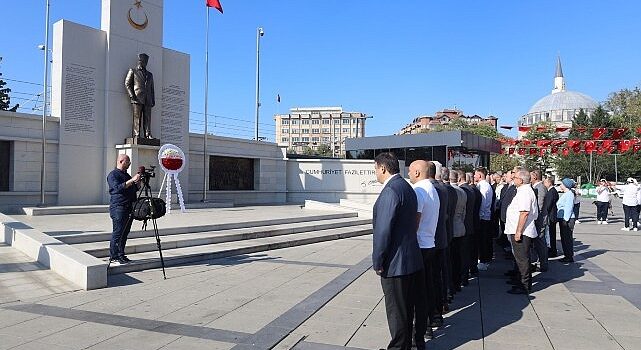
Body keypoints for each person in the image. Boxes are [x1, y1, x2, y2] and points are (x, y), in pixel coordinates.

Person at [372, 152, 424, 350]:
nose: (375, 173)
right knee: (405, 309)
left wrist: (378, 261)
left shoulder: (391, 191)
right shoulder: (406, 187)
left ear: (383, 168)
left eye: (375, 169)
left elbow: (383, 231)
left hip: (395, 263)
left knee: (396, 311)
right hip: (409, 259)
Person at [408, 160, 440, 335]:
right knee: (426, 288)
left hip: (420, 245)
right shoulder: (432, 189)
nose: (409, 174)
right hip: (429, 243)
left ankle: (418, 330)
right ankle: (426, 325)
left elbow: (416, 220)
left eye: (411, 171)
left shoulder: (419, 190)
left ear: (418, 173)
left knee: (416, 292)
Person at [505, 170, 538, 294]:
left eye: (516, 177)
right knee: (519, 258)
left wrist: (518, 232)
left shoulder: (525, 192)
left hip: (522, 231)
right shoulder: (522, 191)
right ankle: (520, 281)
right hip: (517, 229)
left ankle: (524, 285)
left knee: (522, 259)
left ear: (521, 180)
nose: (514, 178)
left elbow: (524, 213)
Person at [107, 154, 140, 265]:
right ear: (121, 161)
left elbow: (133, 189)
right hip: (118, 208)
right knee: (118, 232)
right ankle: (114, 256)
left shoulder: (126, 175)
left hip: (128, 208)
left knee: (125, 233)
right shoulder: (113, 175)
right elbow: (117, 188)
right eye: (128, 162)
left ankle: (121, 254)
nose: (129, 164)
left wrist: (138, 182)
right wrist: (132, 180)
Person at [125, 53, 155, 139]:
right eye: (143, 61)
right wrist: (132, 95)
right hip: (137, 98)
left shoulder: (150, 75)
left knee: (148, 118)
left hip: (148, 100)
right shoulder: (133, 71)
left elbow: (152, 89)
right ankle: (136, 135)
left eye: (146, 62)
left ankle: (148, 134)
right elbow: (127, 84)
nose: (144, 63)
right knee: (137, 118)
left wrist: (152, 100)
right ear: (139, 61)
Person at [449, 170, 467, 294]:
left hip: (452, 230)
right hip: (460, 227)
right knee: (458, 258)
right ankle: (458, 283)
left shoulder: (451, 191)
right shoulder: (463, 192)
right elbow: (464, 212)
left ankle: (453, 285)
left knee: (451, 260)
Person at [474, 167, 494, 271]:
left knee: (483, 241)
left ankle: (483, 261)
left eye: (475, 174)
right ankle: (484, 259)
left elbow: (482, 203)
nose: (474, 176)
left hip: (483, 217)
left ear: (480, 175)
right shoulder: (484, 185)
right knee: (484, 240)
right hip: (485, 216)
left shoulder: (483, 186)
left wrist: (480, 216)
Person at [530, 170, 549, 272]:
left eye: (531, 176)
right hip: (538, 218)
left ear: (535, 177)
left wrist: (534, 216)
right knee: (537, 242)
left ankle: (543, 263)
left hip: (540, 219)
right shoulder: (537, 187)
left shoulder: (540, 188)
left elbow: (540, 206)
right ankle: (538, 262)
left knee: (540, 242)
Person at [557, 178, 577, 263]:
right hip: (563, 218)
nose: (560, 185)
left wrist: (565, 219)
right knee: (564, 238)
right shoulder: (566, 194)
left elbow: (568, 207)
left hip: (567, 219)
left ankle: (569, 256)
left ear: (566, 185)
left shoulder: (569, 194)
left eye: (561, 184)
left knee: (567, 238)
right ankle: (567, 255)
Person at [542, 176, 559, 257]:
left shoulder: (551, 192)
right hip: (552, 215)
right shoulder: (552, 191)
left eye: (545, 182)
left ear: (549, 183)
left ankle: (552, 251)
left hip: (551, 216)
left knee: (551, 234)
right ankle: (552, 250)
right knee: (551, 234)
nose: (544, 184)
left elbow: (548, 205)